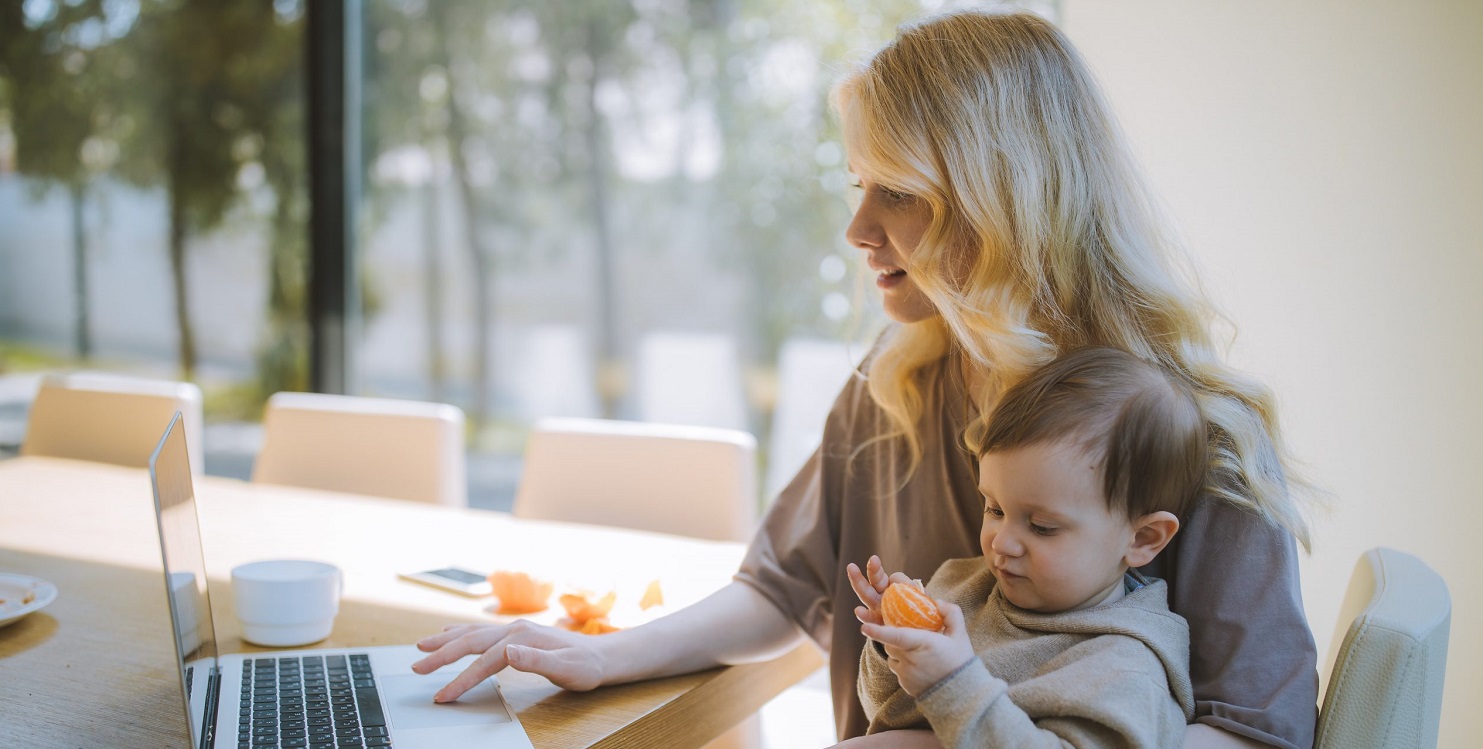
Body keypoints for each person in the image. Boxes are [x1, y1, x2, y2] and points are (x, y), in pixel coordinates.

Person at [412, 9, 1319, 749]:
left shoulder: (1201, 435)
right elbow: (780, 588)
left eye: (899, 191)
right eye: (857, 184)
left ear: (1002, 200)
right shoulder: (893, 387)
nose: (856, 228)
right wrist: (605, 654)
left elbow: (1254, 728)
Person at [848, 346, 1205, 748]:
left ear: (1142, 539)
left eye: (1042, 526)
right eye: (994, 508)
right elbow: (884, 710)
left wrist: (952, 684)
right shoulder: (961, 588)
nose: (1001, 542)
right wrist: (893, 645)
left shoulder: (1125, 667)